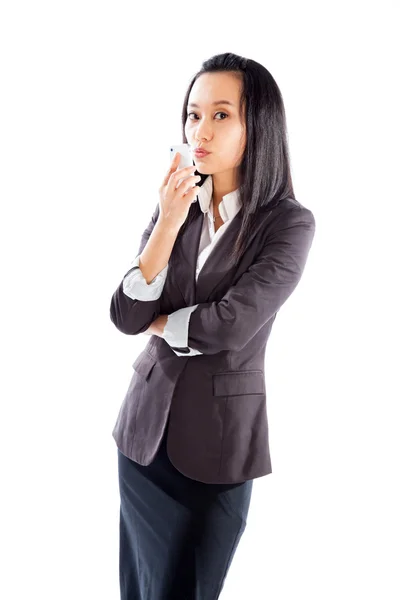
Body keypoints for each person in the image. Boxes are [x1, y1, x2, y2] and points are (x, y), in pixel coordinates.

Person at [110, 51, 316, 600]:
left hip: (222, 446)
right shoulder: (177, 204)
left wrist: (162, 323)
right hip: (143, 437)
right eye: (193, 114)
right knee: (139, 590)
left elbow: (229, 326)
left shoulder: (288, 224)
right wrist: (168, 222)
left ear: (259, 124)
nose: (200, 130)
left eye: (221, 114)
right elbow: (125, 315)